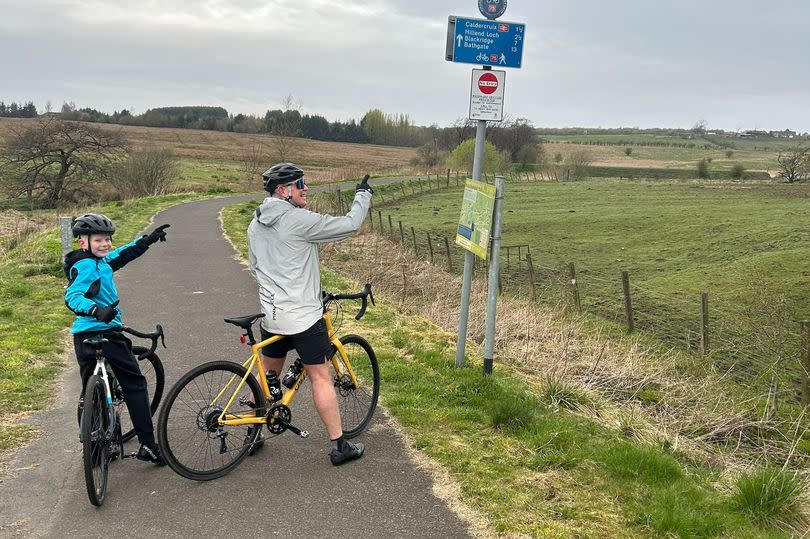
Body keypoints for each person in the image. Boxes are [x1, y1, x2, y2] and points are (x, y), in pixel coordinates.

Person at [247, 162, 373, 465]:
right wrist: (363, 196)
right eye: (300, 183)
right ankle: (340, 445)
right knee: (321, 376)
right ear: (284, 190)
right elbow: (349, 225)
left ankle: (252, 434)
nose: (306, 188)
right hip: (303, 316)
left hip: (272, 314)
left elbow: (255, 268)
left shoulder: (255, 224)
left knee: (267, 375)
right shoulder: (298, 220)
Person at [64, 213, 170, 465]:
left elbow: (120, 255)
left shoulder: (96, 261)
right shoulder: (88, 266)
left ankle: (93, 449)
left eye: (108, 239)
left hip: (83, 338)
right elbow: (73, 295)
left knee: (88, 390)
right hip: (105, 332)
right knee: (135, 384)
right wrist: (95, 310)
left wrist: (146, 241)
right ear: (83, 243)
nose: (106, 244)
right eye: (99, 240)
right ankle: (148, 444)